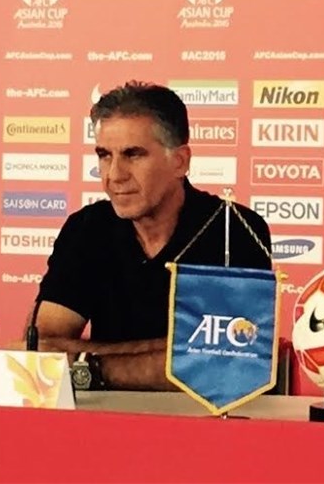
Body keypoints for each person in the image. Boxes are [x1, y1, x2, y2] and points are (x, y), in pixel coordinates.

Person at [26, 81, 272, 390]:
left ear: (180, 161)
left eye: (133, 155)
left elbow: (229, 361)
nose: (114, 175)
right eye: (104, 155)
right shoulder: (86, 228)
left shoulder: (232, 229)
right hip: (102, 413)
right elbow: (41, 350)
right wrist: (171, 353)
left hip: (203, 416)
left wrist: (93, 365)